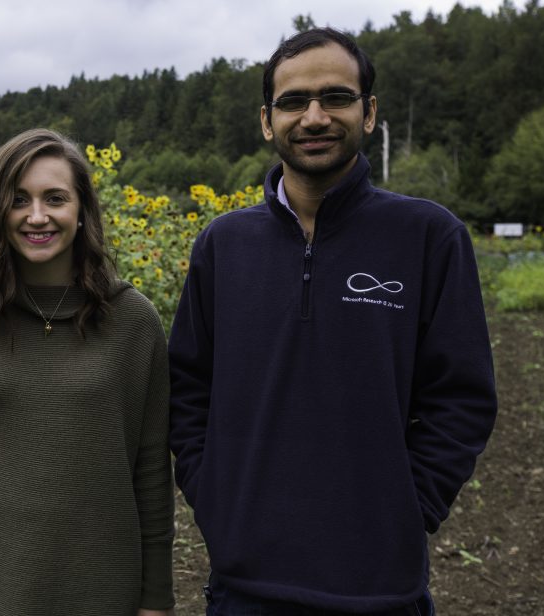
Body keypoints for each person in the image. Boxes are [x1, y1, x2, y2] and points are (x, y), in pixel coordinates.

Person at [168, 28, 498, 615]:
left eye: (335, 98)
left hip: (380, 590)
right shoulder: (224, 246)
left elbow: (462, 398)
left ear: (368, 113)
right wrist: (214, 495)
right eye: (293, 102)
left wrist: (407, 508)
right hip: (245, 589)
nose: (314, 117)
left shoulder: (427, 237)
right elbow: (189, 386)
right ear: (268, 121)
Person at [0, 128, 175, 616]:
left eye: (55, 198)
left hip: (99, 584)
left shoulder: (133, 320)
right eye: (18, 200)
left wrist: (156, 597)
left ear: (82, 209)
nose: (36, 216)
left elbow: (151, 468)